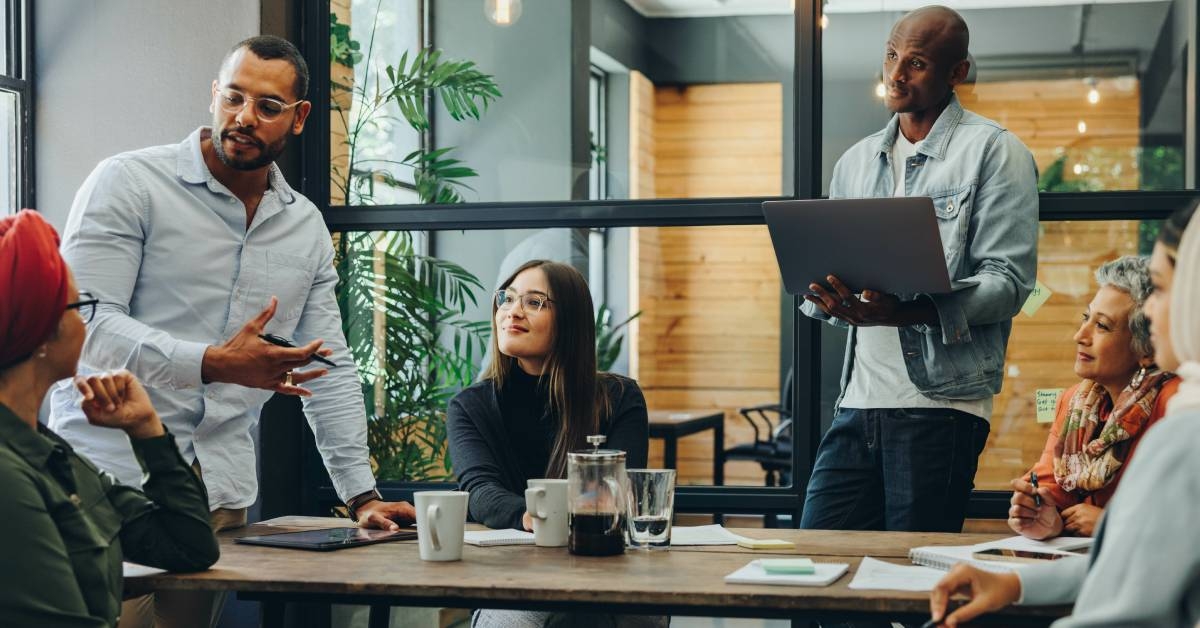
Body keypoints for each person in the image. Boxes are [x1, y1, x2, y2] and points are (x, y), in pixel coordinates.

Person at [47, 36, 413, 627]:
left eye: (268, 107)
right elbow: (84, 322)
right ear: (214, 94)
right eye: (234, 97)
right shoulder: (130, 183)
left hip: (217, 496)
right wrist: (211, 362)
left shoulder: (304, 227)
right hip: (106, 478)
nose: (244, 117)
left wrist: (362, 496)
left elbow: (330, 364)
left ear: (299, 119)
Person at [799, 5, 1039, 532]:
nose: (895, 74)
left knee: (912, 586)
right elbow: (842, 270)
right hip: (857, 403)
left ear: (957, 73)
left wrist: (906, 313)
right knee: (817, 571)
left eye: (917, 62)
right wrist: (835, 299)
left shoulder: (996, 153)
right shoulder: (855, 162)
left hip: (940, 405)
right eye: (890, 55)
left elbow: (1009, 283)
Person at [928, 200, 1200, 627]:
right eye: (1085, 318)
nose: (1081, 335)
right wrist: (1021, 569)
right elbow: (1123, 563)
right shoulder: (1080, 403)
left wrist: (1105, 524)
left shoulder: (1184, 426)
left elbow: (1130, 606)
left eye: (1165, 291)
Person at [0, 210, 219, 627]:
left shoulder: (48, 454)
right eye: (80, 307)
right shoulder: (9, 476)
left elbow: (188, 546)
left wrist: (148, 432)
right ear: (44, 332)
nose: (86, 324)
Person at [448, 260, 658, 628]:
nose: (512, 312)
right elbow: (480, 492)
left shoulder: (619, 397)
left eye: (533, 302)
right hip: (514, 575)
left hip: (606, 569)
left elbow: (615, 494)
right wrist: (538, 518)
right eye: (507, 298)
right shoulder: (470, 406)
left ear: (570, 321)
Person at [1009, 256, 1178, 540]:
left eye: (1102, 326)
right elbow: (1050, 485)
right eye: (1086, 318)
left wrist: (1111, 525)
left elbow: (1184, 521)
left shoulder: (1177, 405)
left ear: (1146, 348)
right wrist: (1042, 516)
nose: (1080, 335)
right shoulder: (1074, 401)